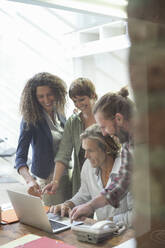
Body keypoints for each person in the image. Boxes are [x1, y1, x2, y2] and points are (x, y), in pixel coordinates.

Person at [70, 87, 134, 221]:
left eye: (104, 127)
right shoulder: (128, 146)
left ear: (118, 118)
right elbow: (120, 185)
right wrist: (90, 206)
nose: (104, 133)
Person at [49, 124, 133, 225]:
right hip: (102, 231)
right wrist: (67, 205)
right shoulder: (88, 166)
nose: (86, 156)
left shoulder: (128, 170)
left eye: (90, 150)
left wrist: (103, 223)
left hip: (127, 234)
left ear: (106, 149)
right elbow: (84, 195)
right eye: (85, 150)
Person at [15, 72, 70, 206]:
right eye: (41, 96)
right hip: (47, 180)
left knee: (69, 217)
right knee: (55, 219)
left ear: (56, 92)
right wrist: (29, 181)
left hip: (66, 175)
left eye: (49, 94)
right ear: (34, 98)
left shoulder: (60, 113)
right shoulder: (30, 119)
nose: (46, 99)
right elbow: (20, 157)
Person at [43, 77, 97, 196]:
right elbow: (64, 153)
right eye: (75, 101)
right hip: (83, 179)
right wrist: (55, 181)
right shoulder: (73, 122)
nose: (78, 104)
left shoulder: (105, 117)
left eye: (82, 99)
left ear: (93, 95)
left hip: (105, 177)